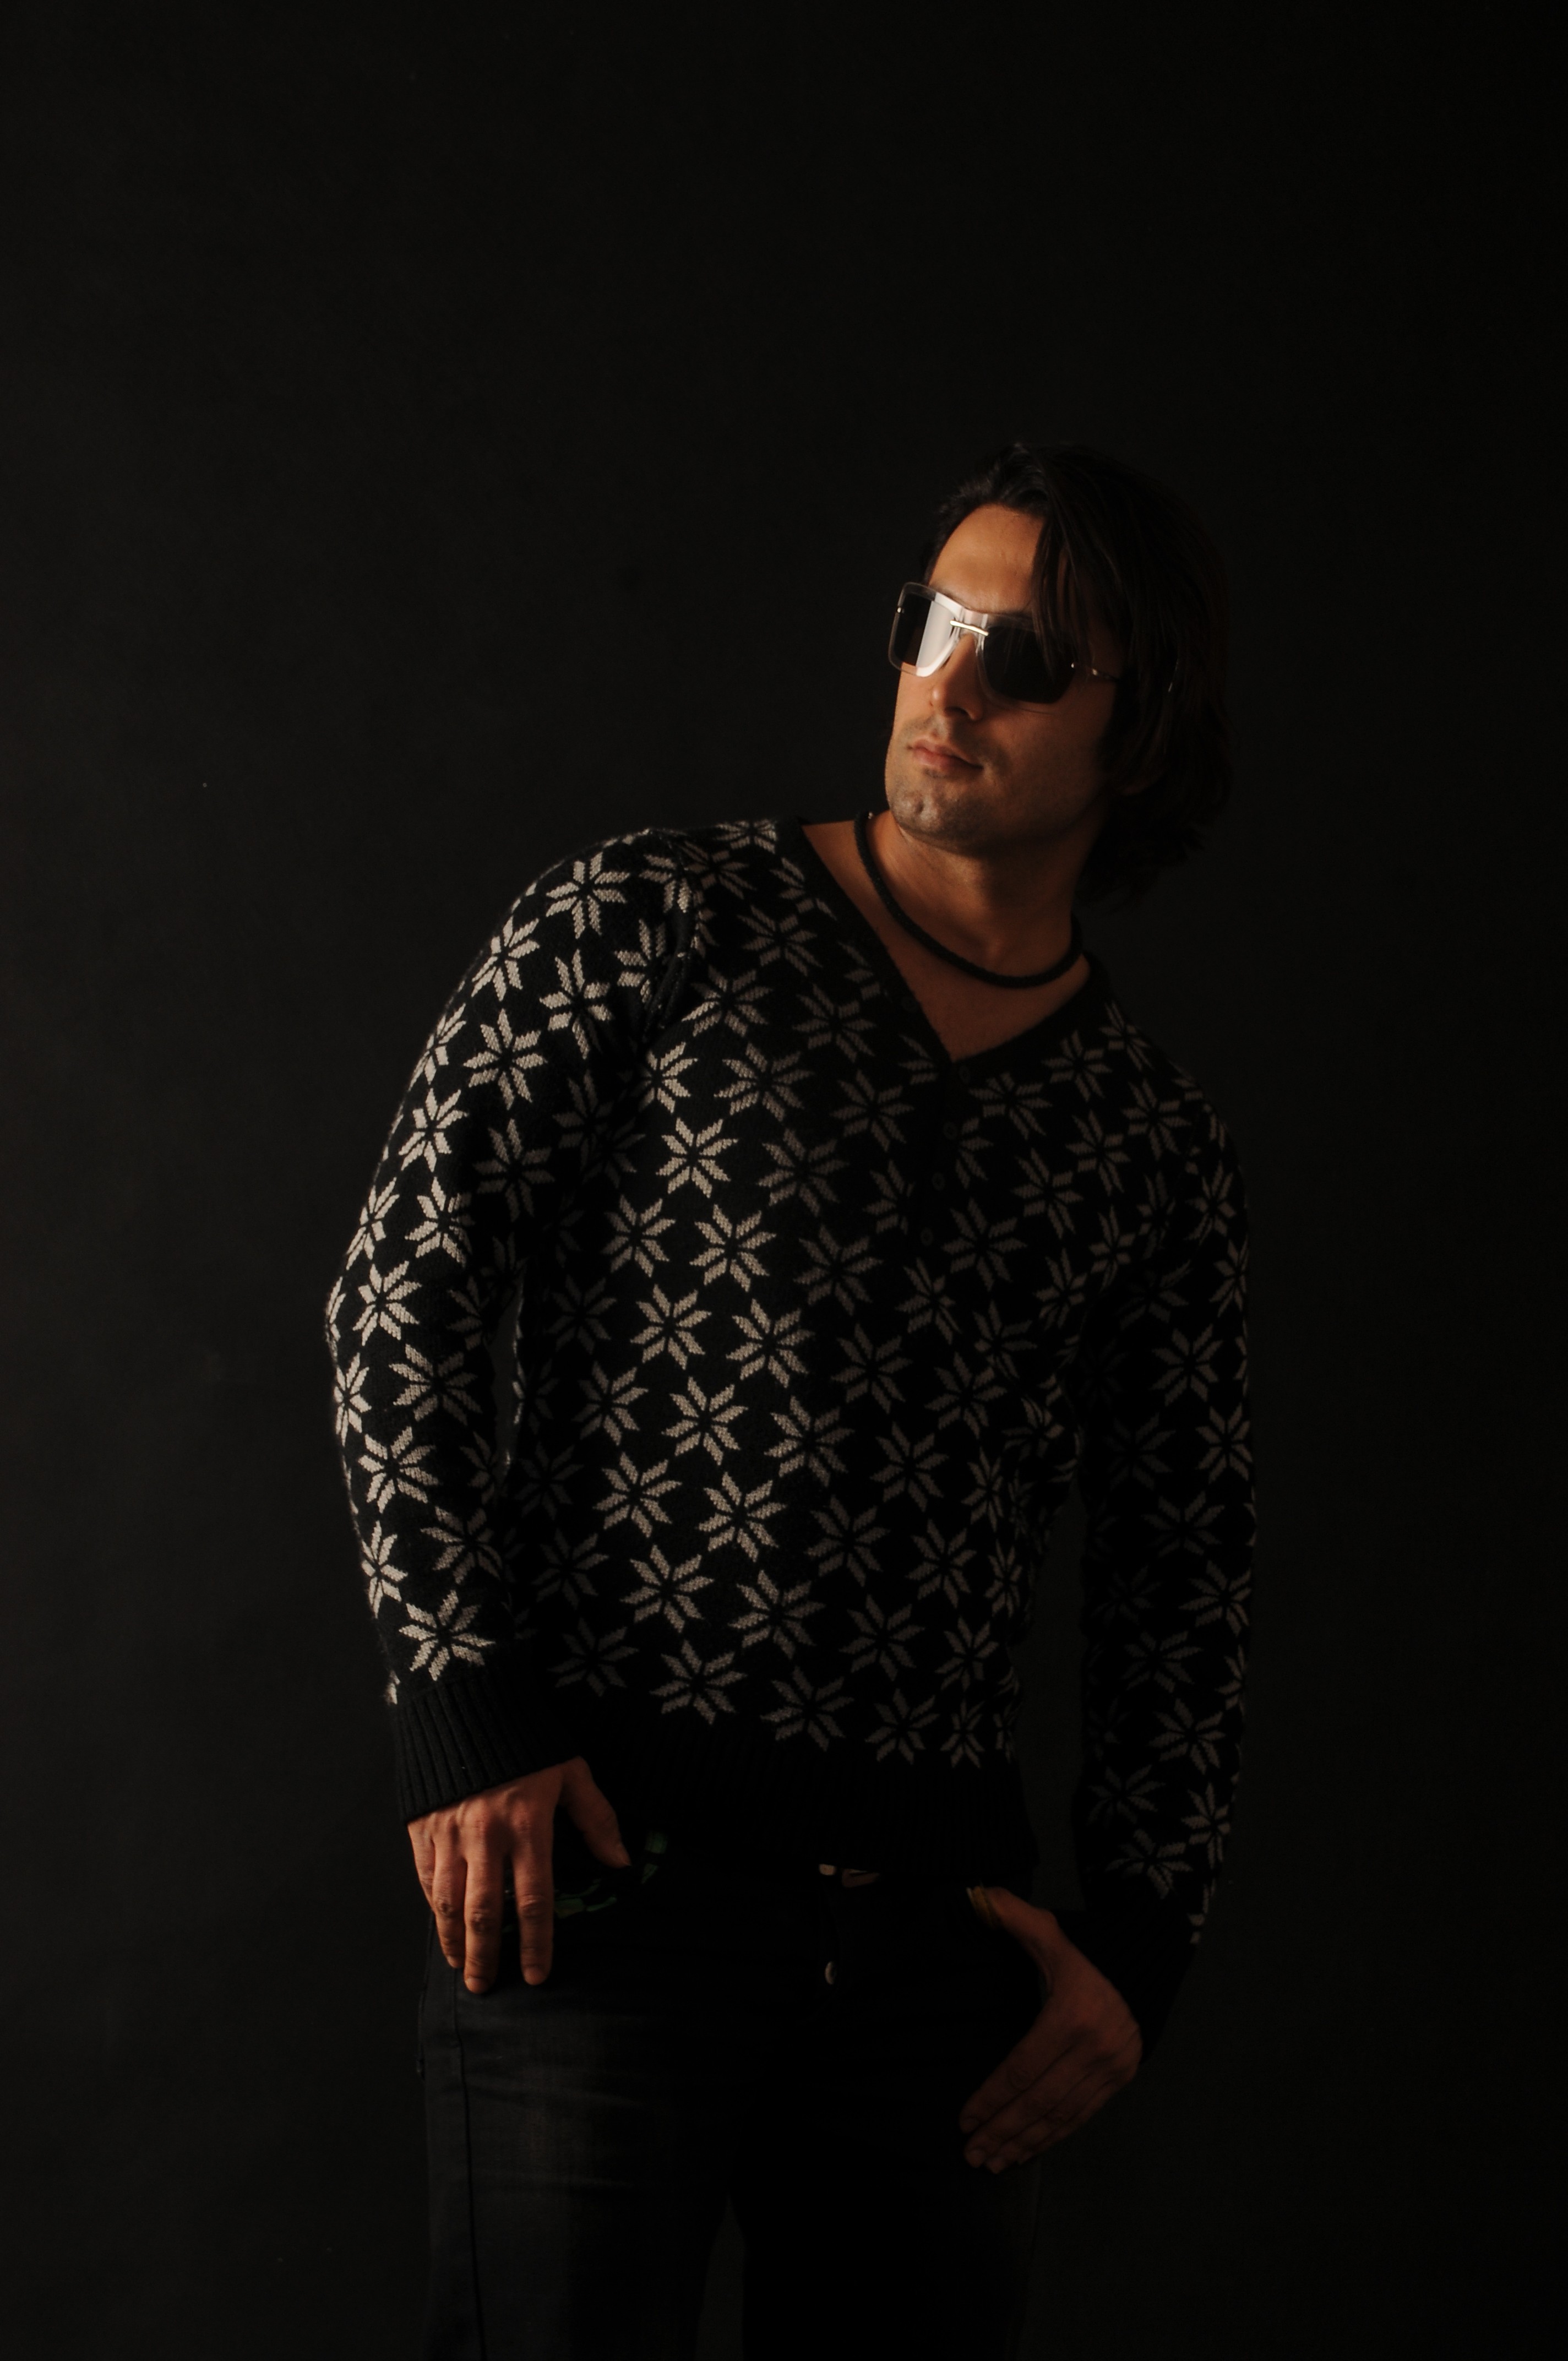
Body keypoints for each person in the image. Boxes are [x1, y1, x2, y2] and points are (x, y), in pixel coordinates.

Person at [326, 440, 1254, 2360]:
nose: (948, 684)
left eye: (1025, 657)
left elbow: (1186, 1565)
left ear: (1143, 724)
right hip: (593, 1885)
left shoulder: (1150, 1141)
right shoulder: (654, 920)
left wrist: (1141, 1948)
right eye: (933, 622)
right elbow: (400, 1291)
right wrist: (465, 1711)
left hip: (934, 1959)